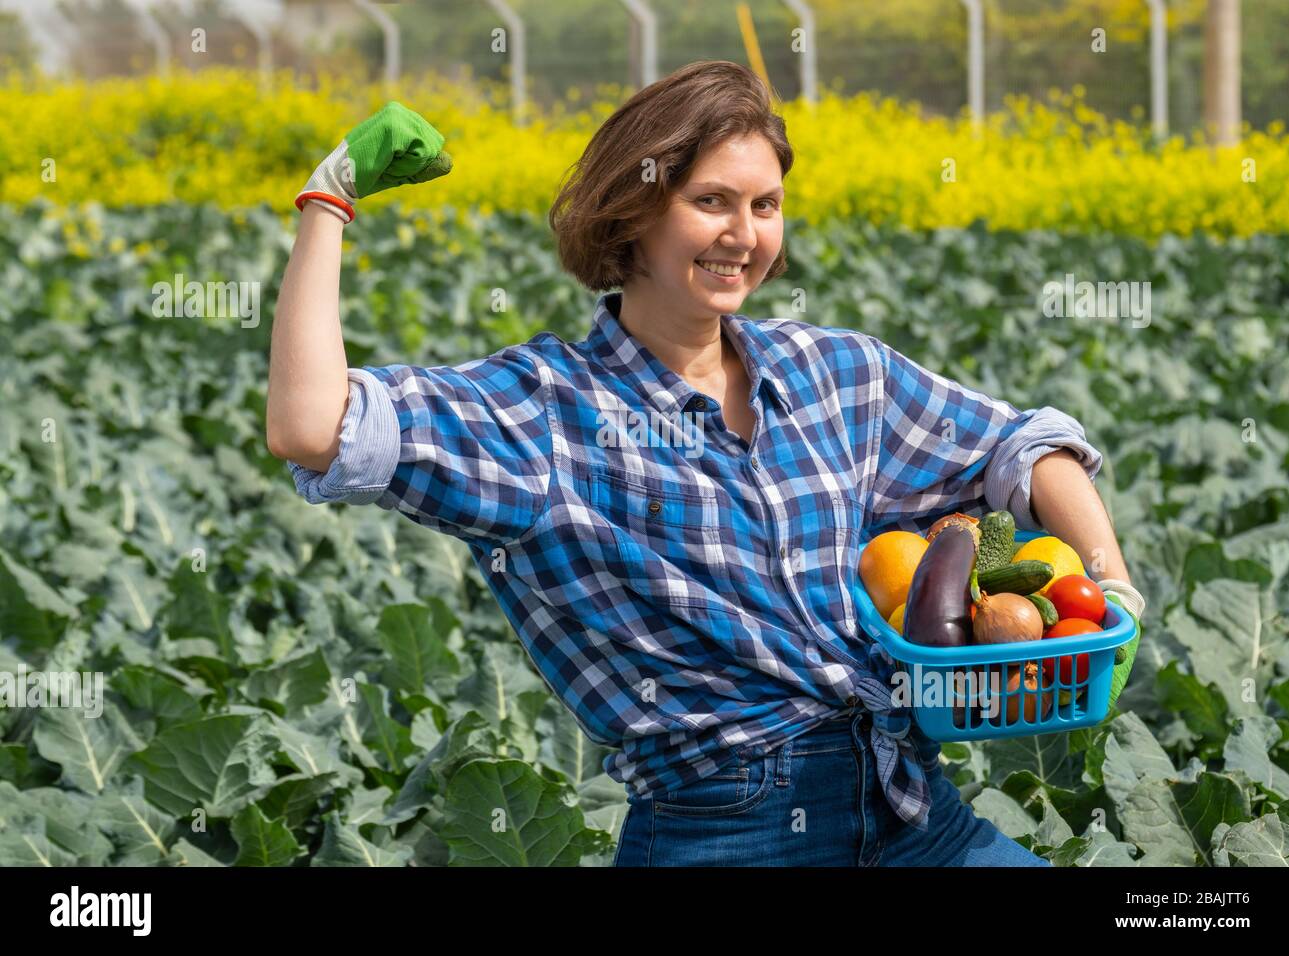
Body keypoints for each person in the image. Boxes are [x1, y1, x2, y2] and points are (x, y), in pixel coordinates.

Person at [266, 61, 1146, 867]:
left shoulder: (833, 373)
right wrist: (329, 199)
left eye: (765, 206)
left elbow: (1024, 446)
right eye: (712, 202)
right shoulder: (543, 411)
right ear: (634, 213)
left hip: (913, 813)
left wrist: (1109, 578)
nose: (744, 234)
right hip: (728, 835)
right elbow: (312, 426)